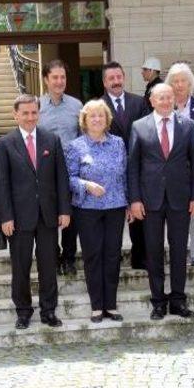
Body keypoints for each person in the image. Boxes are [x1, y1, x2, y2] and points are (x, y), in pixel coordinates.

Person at [0, 94, 72, 329]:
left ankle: (49, 311)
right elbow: (2, 183)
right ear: (15, 115)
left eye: (34, 112)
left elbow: (61, 178)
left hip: (48, 214)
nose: (30, 117)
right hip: (19, 217)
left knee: (48, 265)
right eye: (25, 113)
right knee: (20, 267)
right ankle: (23, 311)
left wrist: (64, 210)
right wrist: (5, 216)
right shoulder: (5, 143)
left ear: (39, 113)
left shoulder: (52, 140)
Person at [128, 83, 194, 320]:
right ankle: (158, 301)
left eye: (169, 97)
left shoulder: (188, 126)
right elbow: (132, 167)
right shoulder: (139, 127)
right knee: (154, 251)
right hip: (150, 201)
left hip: (180, 199)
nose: (166, 101)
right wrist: (135, 200)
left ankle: (178, 300)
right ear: (152, 101)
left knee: (180, 250)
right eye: (161, 98)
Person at [65, 100, 128, 323]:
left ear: (107, 118)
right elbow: (69, 178)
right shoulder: (76, 146)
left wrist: (129, 202)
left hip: (115, 207)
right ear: (84, 120)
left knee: (112, 255)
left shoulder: (118, 143)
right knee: (93, 256)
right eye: (92, 116)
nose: (97, 119)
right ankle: (96, 306)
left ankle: (111, 304)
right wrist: (86, 185)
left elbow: (125, 174)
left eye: (101, 115)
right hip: (88, 209)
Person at [100, 61, 149, 270]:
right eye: (111, 78)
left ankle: (140, 258)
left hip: (138, 168)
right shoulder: (97, 107)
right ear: (104, 82)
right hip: (110, 172)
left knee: (139, 213)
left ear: (124, 78)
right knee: (112, 218)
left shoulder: (139, 103)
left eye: (118, 77)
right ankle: (112, 260)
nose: (116, 82)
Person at [38, 59, 83, 276]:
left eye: (62, 77)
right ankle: (52, 256)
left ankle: (69, 257)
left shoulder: (77, 106)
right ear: (46, 79)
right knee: (48, 215)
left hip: (71, 170)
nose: (59, 81)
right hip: (45, 171)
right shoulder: (36, 107)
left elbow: (83, 138)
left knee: (70, 215)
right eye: (54, 77)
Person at [165, 62, 194, 268]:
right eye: (175, 81)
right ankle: (176, 251)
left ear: (190, 83)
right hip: (172, 170)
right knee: (175, 215)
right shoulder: (165, 105)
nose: (179, 85)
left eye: (183, 80)